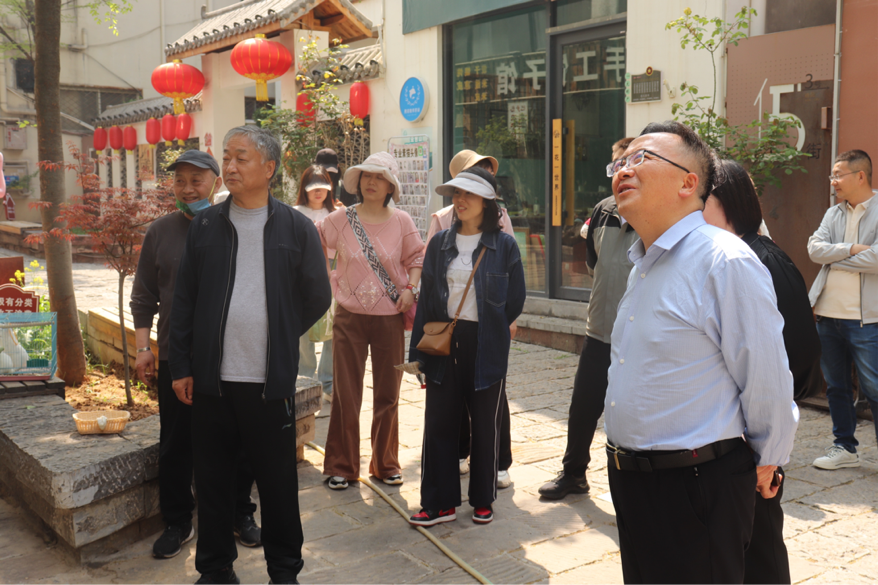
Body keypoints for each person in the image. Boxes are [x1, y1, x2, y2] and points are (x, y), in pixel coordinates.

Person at [604, 121, 799, 585]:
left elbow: (766, 375)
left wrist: (768, 458)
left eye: (641, 158)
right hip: (631, 479)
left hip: (695, 485)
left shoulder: (723, 259)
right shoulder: (642, 264)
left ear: (688, 183)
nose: (624, 170)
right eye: (621, 162)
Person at [169, 126, 331, 585]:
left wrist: (279, 332)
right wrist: (181, 366)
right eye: (228, 157)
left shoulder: (296, 227)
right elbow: (184, 301)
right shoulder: (205, 226)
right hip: (212, 380)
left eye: (241, 157)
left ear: (269, 168)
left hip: (268, 382)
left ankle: (284, 571)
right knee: (213, 480)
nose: (231, 166)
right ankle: (215, 568)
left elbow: (317, 295)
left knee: (277, 483)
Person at [130, 150, 262, 559]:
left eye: (196, 180)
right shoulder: (160, 232)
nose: (187, 189)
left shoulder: (233, 227)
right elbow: (144, 296)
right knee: (175, 443)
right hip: (176, 355)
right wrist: (143, 348)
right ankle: (177, 520)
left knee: (238, 441)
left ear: (216, 183)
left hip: (230, 356)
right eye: (179, 180)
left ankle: (239, 512)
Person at [704, 158, 823, 585]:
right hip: (736, 440)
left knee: (761, 552)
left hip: (751, 443)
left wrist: (767, 446)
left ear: (725, 202)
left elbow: (799, 356)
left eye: (701, 200)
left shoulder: (756, 260)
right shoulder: (737, 254)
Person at [408, 166, 526, 527]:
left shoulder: (504, 245)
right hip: (443, 341)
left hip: (486, 342)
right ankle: (438, 503)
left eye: (468, 194)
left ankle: (482, 499)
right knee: (439, 423)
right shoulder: (439, 243)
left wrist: (493, 328)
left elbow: (515, 300)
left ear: (486, 201)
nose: (459, 200)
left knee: (485, 425)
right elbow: (427, 301)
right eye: (456, 193)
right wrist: (417, 355)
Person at [538, 137, 638, 500]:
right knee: (582, 407)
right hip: (598, 332)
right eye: (616, 164)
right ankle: (573, 474)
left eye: (628, 163)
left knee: (632, 416)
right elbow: (594, 264)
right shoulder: (603, 211)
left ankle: (635, 488)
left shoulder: (655, 215)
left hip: (638, 338)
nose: (621, 172)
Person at [319, 152, 425, 490]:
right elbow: (316, 241)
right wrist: (328, 279)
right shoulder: (340, 219)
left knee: (388, 393)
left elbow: (417, 257)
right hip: (349, 317)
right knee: (345, 393)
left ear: (391, 186)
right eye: (367, 175)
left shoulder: (402, 221)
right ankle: (341, 465)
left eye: (380, 177)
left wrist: (410, 289)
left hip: (389, 318)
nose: (372, 182)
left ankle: (386, 463)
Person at [426, 149, 516, 489]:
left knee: (492, 397)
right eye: (476, 170)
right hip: (451, 327)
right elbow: (432, 275)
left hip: (488, 324)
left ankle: (498, 463)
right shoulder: (441, 220)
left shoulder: (499, 217)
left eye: (486, 170)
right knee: (452, 397)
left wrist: (505, 318)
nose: (484, 175)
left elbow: (509, 271)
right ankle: (461, 454)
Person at [807, 149, 878, 470]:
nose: (833, 181)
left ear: (860, 176)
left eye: (838, 175)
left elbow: (877, 259)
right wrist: (852, 249)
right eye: (832, 175)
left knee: (874, 388)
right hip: (827, 315)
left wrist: (835, 257)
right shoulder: (833, 213)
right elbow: (814, 250)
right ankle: (845, 447)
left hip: (866, 319)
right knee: (836, 387)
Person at [293, 165, 336, 397]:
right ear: (305, 188)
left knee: (333, 327)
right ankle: (305, 378)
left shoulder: (338, 213)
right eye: (313, 187)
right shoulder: (294, 213)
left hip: (334, 272)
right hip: (303, 272)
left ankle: (328, 382)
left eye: (322, 186)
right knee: (303, 327)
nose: (318, 192)